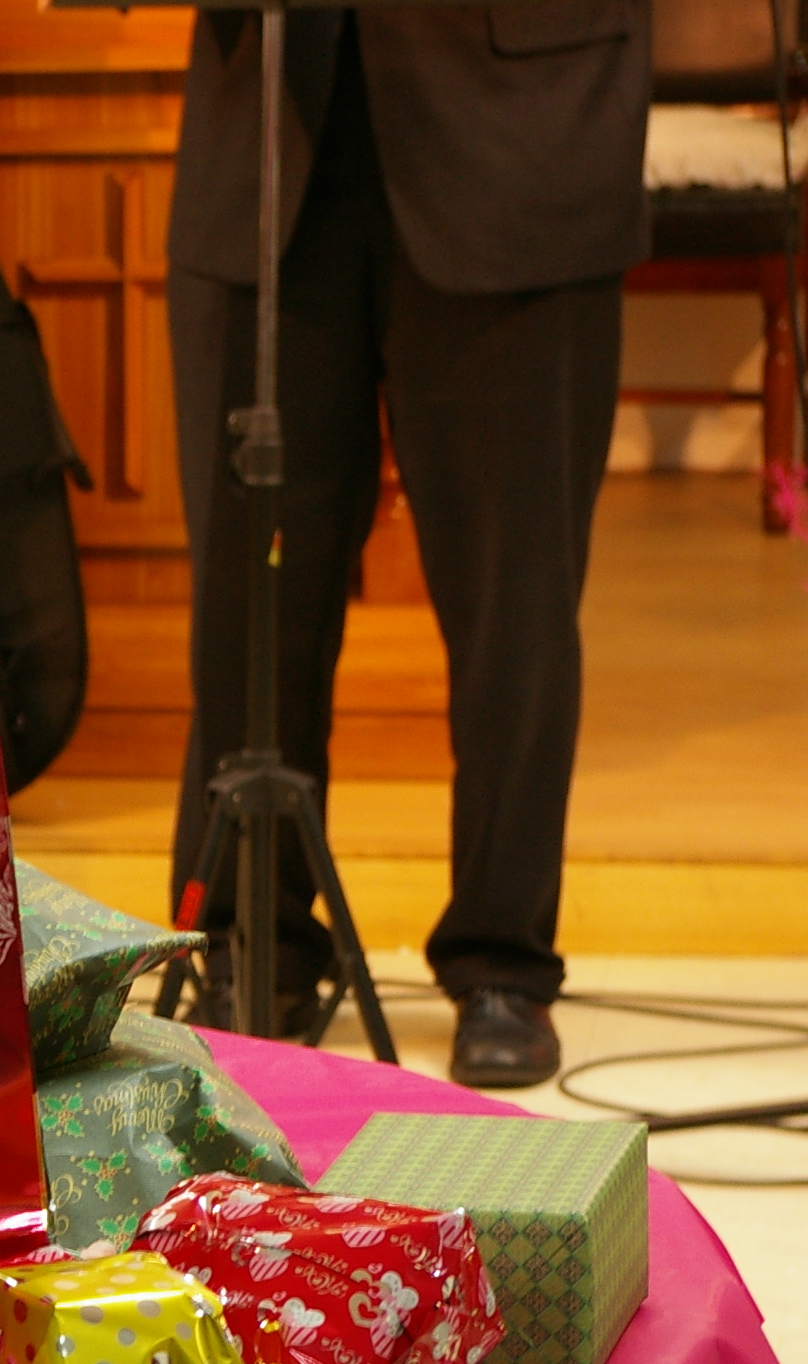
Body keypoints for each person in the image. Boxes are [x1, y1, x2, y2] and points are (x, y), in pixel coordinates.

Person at [163, 0, 651, 1087]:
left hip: (520, 132)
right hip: (269, 132)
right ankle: (252, 941)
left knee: (514, 602)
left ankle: (502, 960)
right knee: (249, 597)